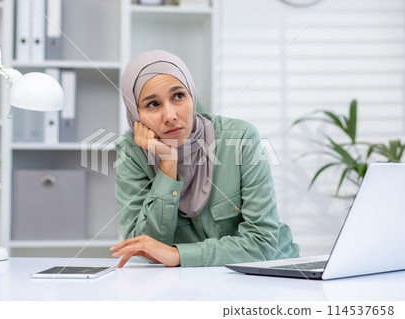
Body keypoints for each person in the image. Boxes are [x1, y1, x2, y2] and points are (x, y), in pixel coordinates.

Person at [110, 50, 299, 268]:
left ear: (192, 96)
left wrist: (178, 255)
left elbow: (262, 243)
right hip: (188, 282)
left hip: (269, 274)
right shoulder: (131, 153)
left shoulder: (240, 139)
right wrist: (168, 166)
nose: (170, 115)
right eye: (153, 104)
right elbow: (145, 248)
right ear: (135, 114)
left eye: (178, 96)